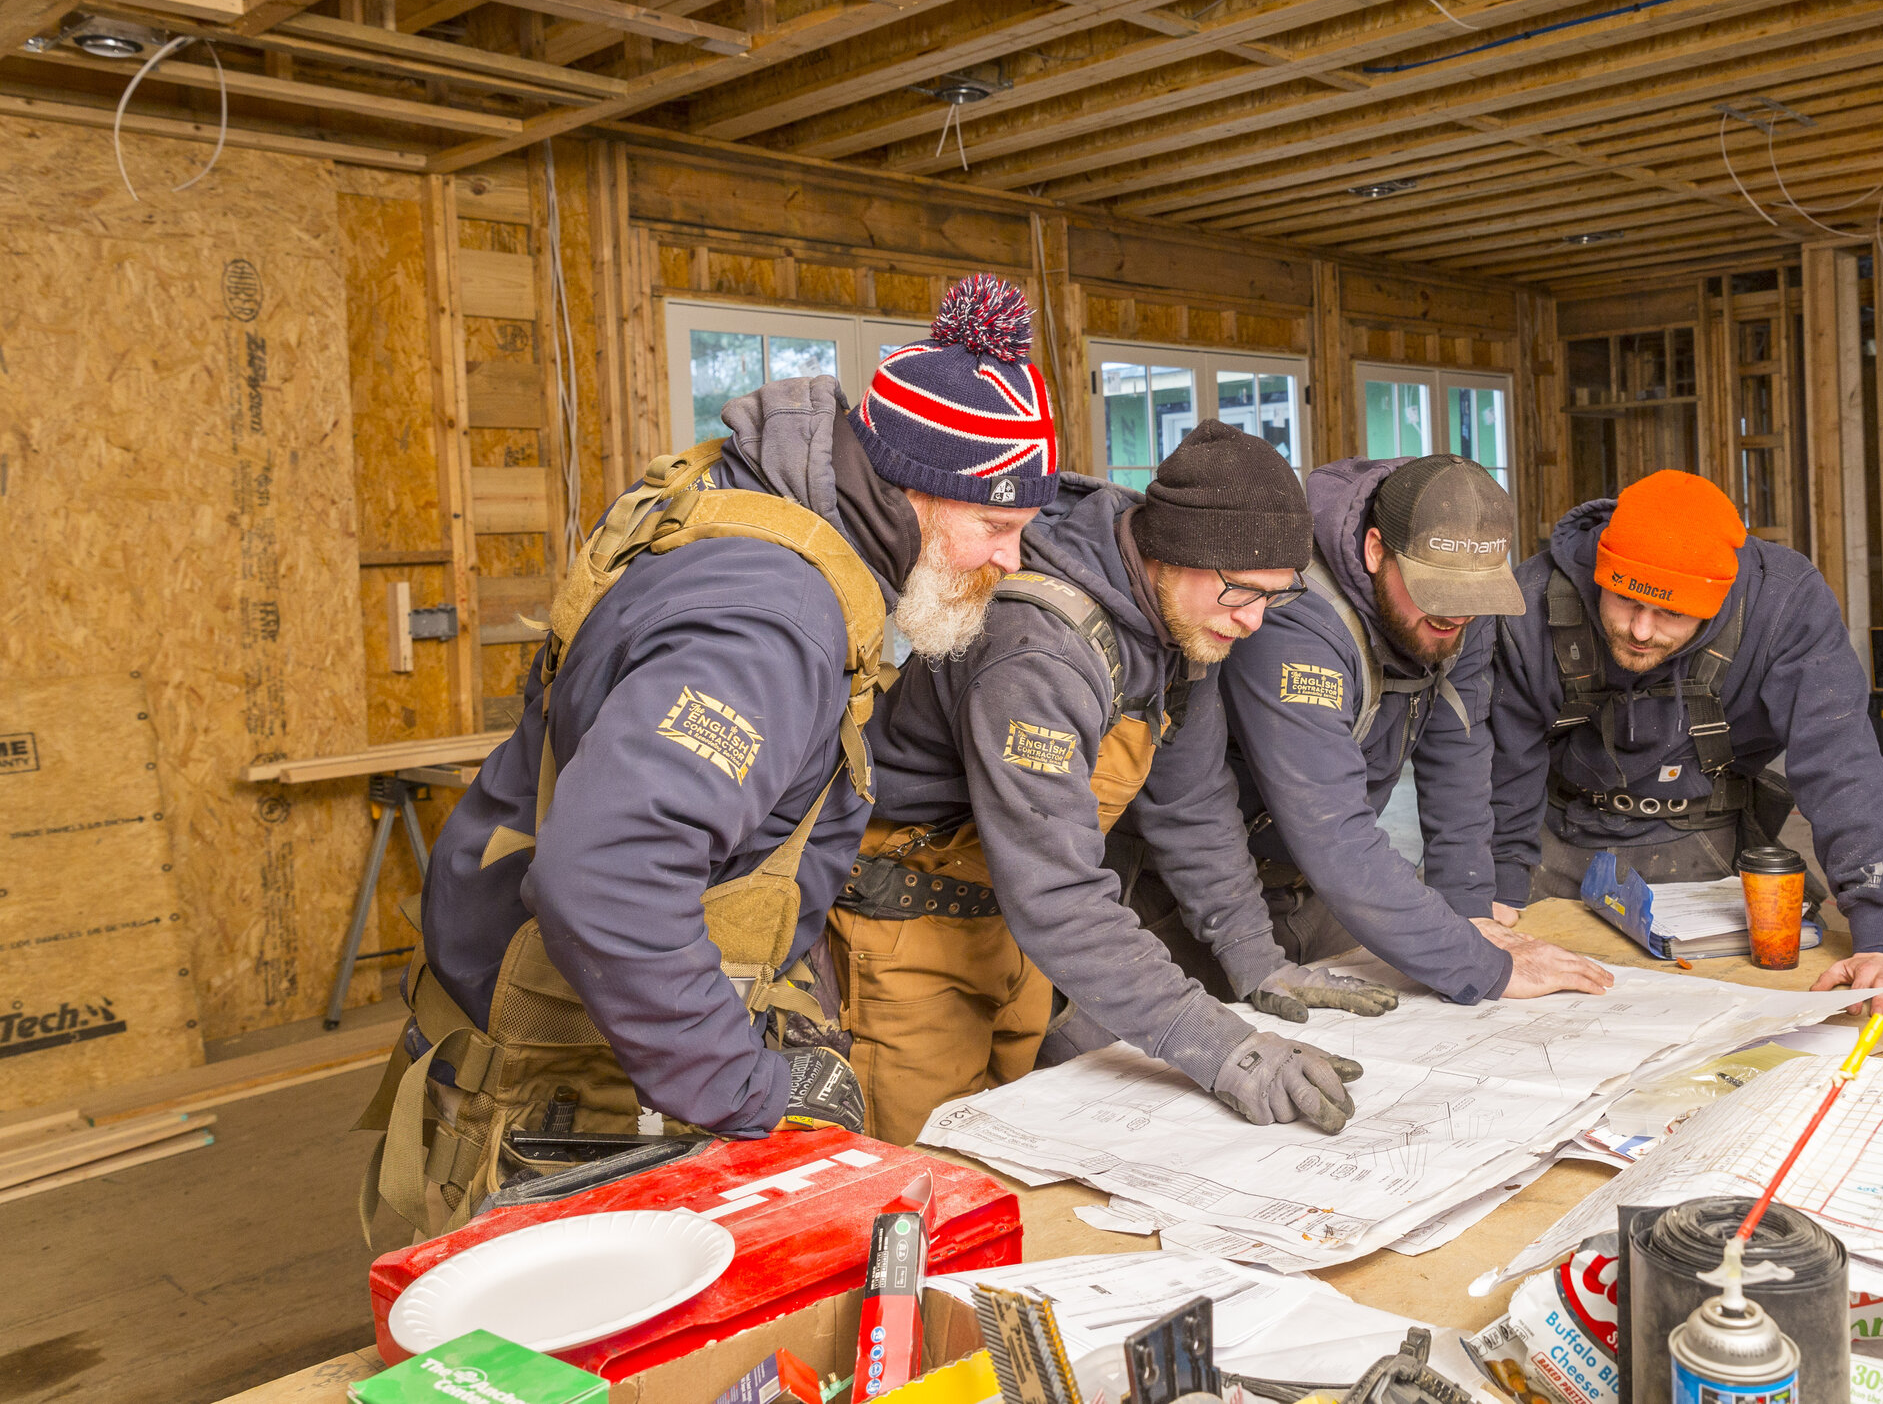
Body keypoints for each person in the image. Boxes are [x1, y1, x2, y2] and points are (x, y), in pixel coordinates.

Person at [360, 276, 1057, 1237]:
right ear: (915, 493)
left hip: (584, 1026)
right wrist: (746, 1087)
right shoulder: (769, 625)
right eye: (998, 526)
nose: (1011, 560)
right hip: (558, 1074)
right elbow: (607, 877)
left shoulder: (759, 516)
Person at [855, 421, 1394, 1144]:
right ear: (1171, 551)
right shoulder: (1037, 651)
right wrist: (1225, 1049)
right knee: (934, 1169)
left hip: (1010, 925)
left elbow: (1193, 803)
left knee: (1020, 1150)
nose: (1254, 619)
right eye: (1240, 591)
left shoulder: (1185, 624)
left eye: (1276, 595)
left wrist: (1258, 959)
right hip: (910, 929)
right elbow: (1059, 894)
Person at [1489, 469, 1883, 1017]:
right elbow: (1499, 758)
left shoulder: (1785, 605)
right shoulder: (1530, 601)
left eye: (1670, 612)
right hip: (1549, 833)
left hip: (1705, 842)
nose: (1642, 631)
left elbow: (1841, 764)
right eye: (1625, 600)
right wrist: (1495, 885)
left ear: (1715, 600)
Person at [1210, 454, 1613, 1004]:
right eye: (1437, 594)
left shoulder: (1465, 606)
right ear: (1376, 551)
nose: (1455, 617)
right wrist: (1479, 966)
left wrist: (1470, 910)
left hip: (1319, 886)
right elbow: (1332, 828)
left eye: (1472, 599)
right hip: (1218, 888)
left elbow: (1460, 751)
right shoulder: (1293, 619)